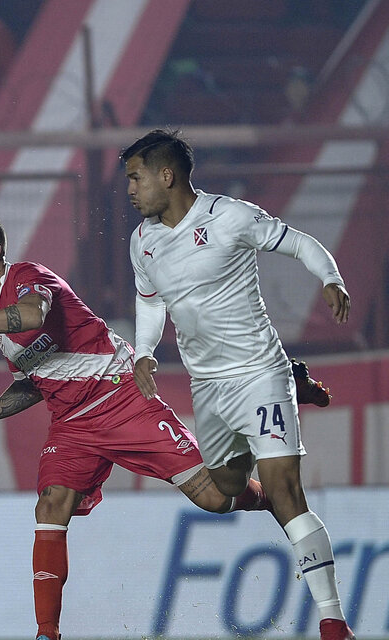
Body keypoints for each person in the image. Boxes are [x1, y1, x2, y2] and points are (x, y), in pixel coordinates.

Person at [0, 215, 272, 640]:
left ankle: (272, 497)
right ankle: (47, 633)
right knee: (50, 505)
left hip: (121, 398)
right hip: (72, 425)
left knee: (213, 496)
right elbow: (32, 384)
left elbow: (31, 315)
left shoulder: (29, 277)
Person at [121, 128, 353, 640]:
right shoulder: (142, 242)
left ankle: (333, 621)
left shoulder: (230, 217)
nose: (131, 190)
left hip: (256, 374)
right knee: (224, 489)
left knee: (286, 492)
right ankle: (297, 388)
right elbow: (150, 299)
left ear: (167, 175)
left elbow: (301, 244)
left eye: (136, 178)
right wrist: (143, 352)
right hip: (207, 385)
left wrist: (330, 278)